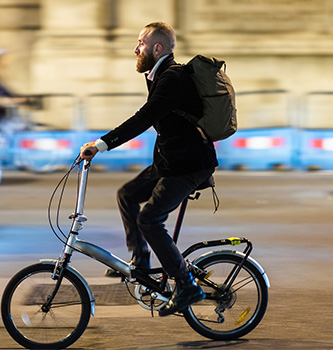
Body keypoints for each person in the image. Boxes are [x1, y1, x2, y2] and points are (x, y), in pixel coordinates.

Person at [80, 22, 218, 317]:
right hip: (171, 161)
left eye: (140, 43)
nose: (135, 49)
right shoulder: (159, 75)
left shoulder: (172, 77)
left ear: (158, 48)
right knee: (127, 194)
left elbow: (144, 118)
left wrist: (102, 144)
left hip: (189, 165)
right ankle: (141, 264)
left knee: (150, 220)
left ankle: (186, 284)